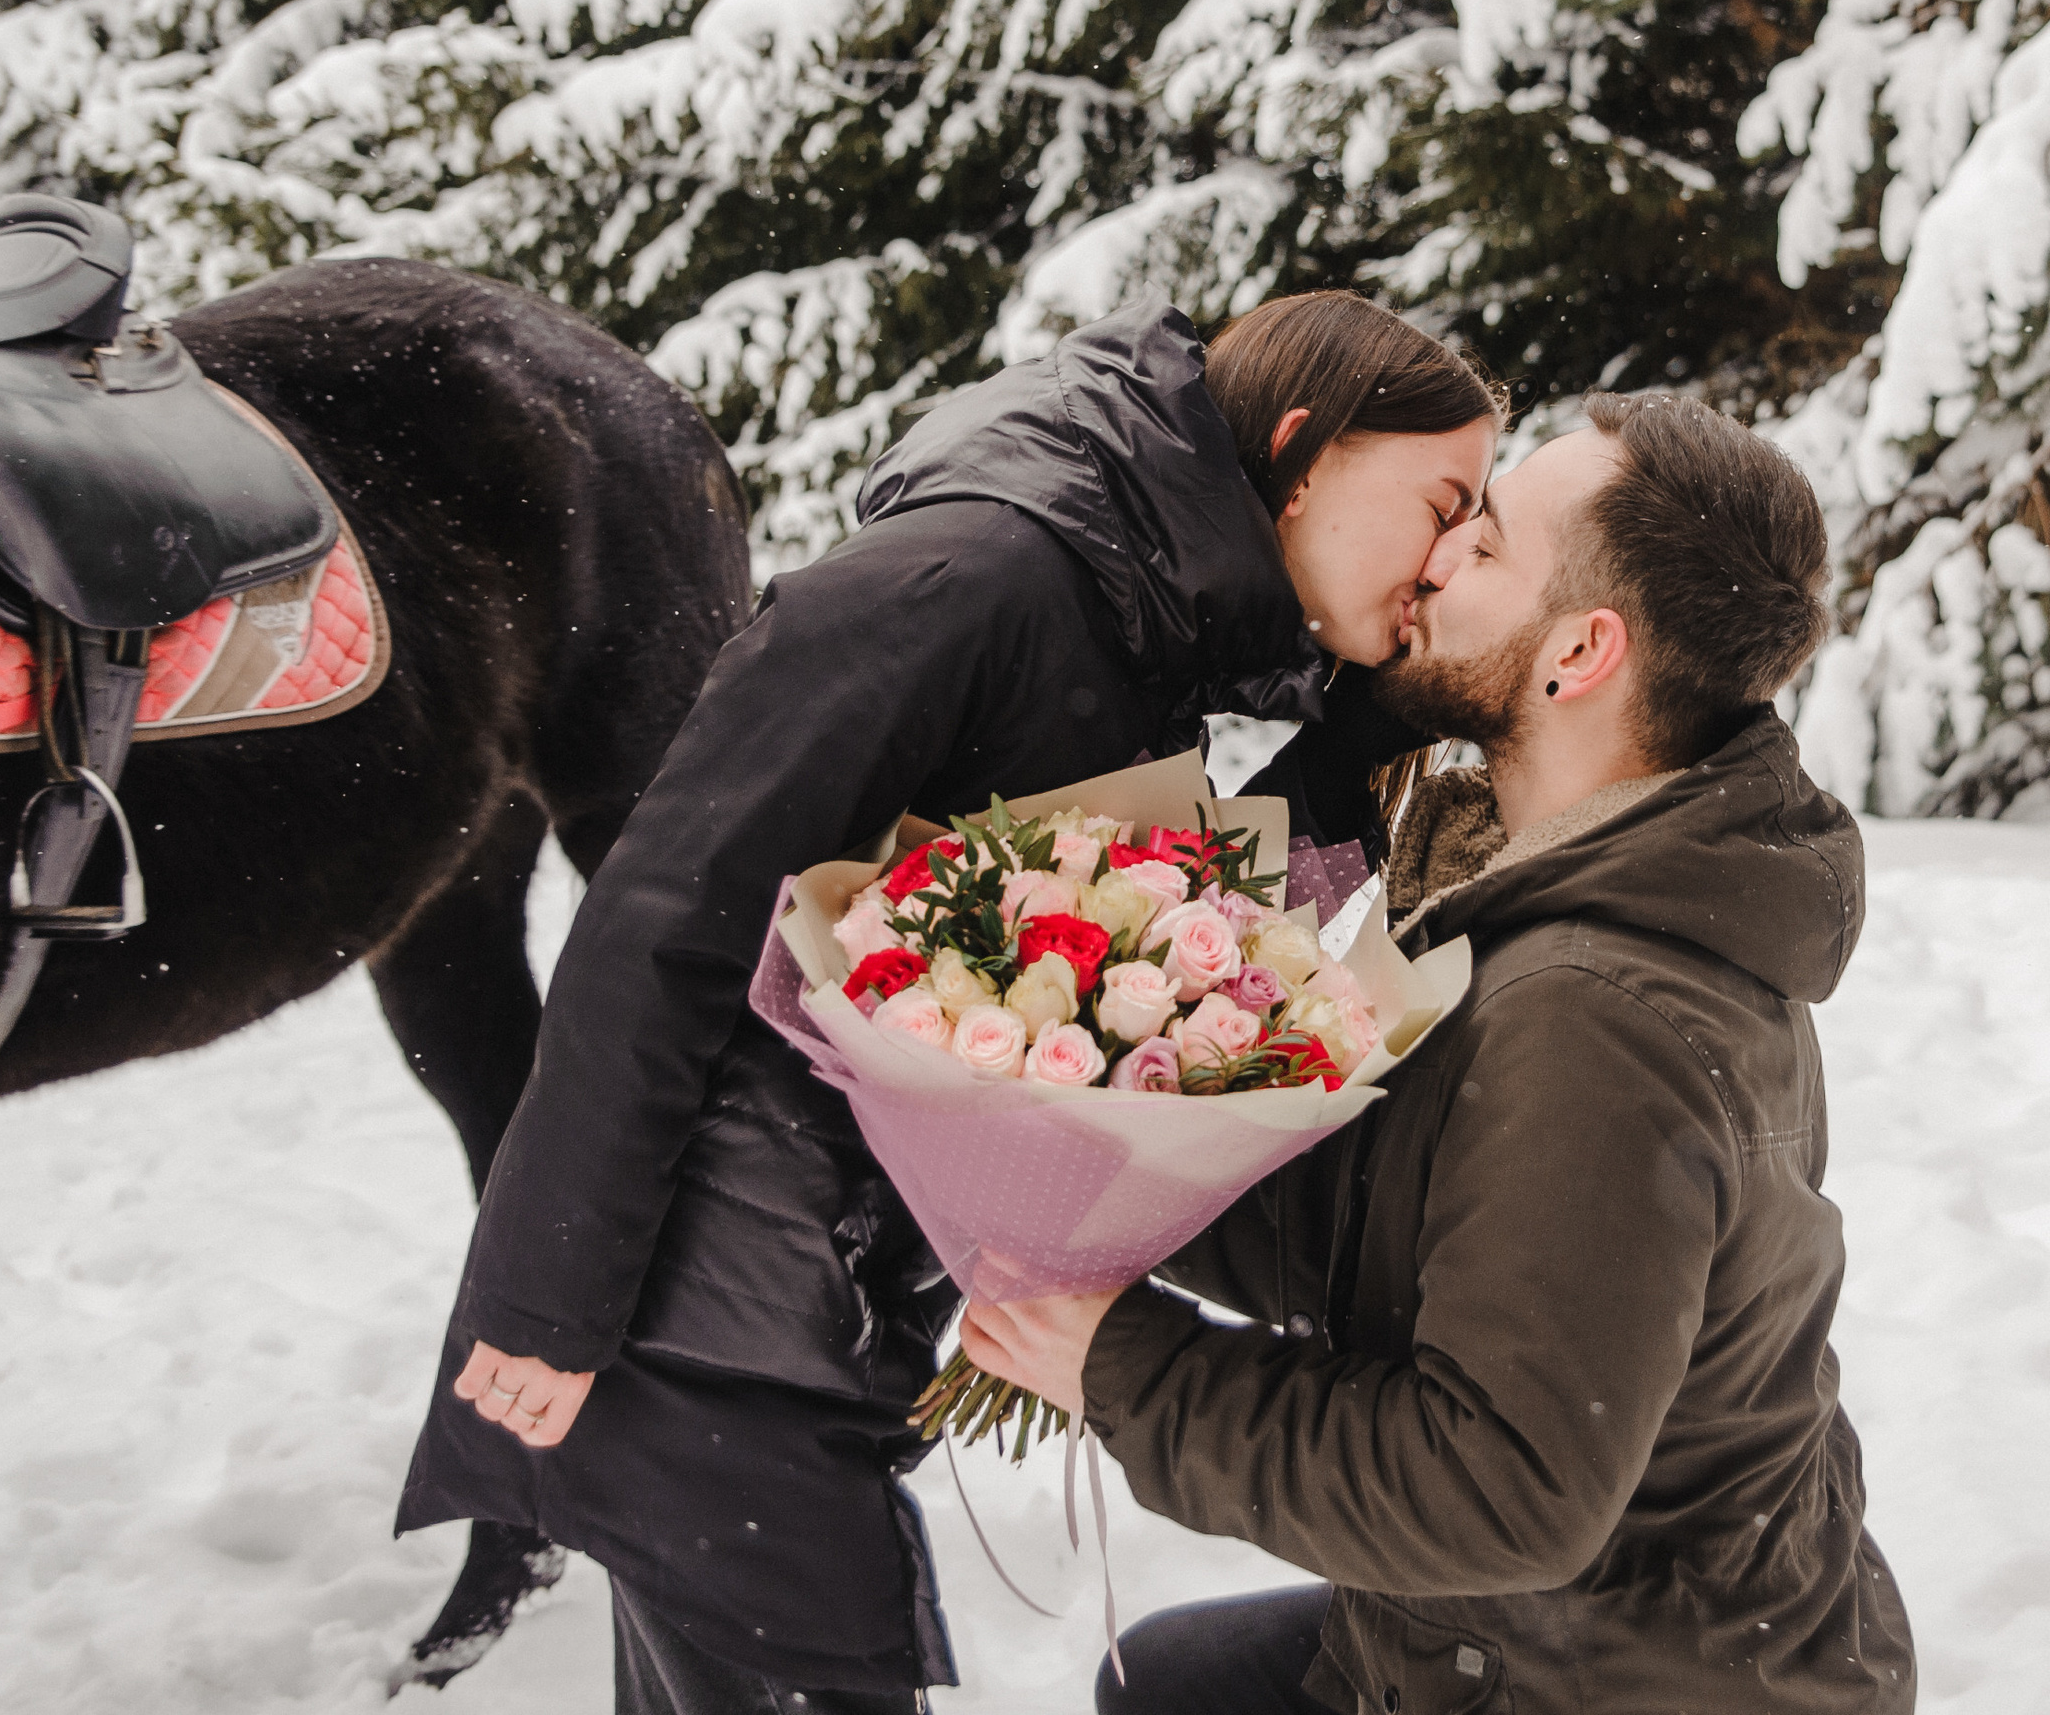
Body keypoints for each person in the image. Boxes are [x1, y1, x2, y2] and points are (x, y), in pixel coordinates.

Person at [396, 289, 1500, 1711]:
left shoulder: (1123, 611)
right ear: (1304, 447)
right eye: (1442, 501)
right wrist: (548, 1294)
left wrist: (1376, 733)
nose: (1450, 554)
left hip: (800, 1326)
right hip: (708, 1336)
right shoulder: (975, 571)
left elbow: (1169, 944)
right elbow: (666, 906)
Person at [959, 392, 1917, 1714]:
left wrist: (1122, 1360)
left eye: (1487, 543)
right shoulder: (1590, 899)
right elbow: (1405, 1232)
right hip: (1608, 1624)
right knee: (1164, 1683)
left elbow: (1499, 1489)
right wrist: (1098, 1163)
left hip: (1611, 1676)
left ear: (1580, 651)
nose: (1438, 556)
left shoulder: (1597, 1015)